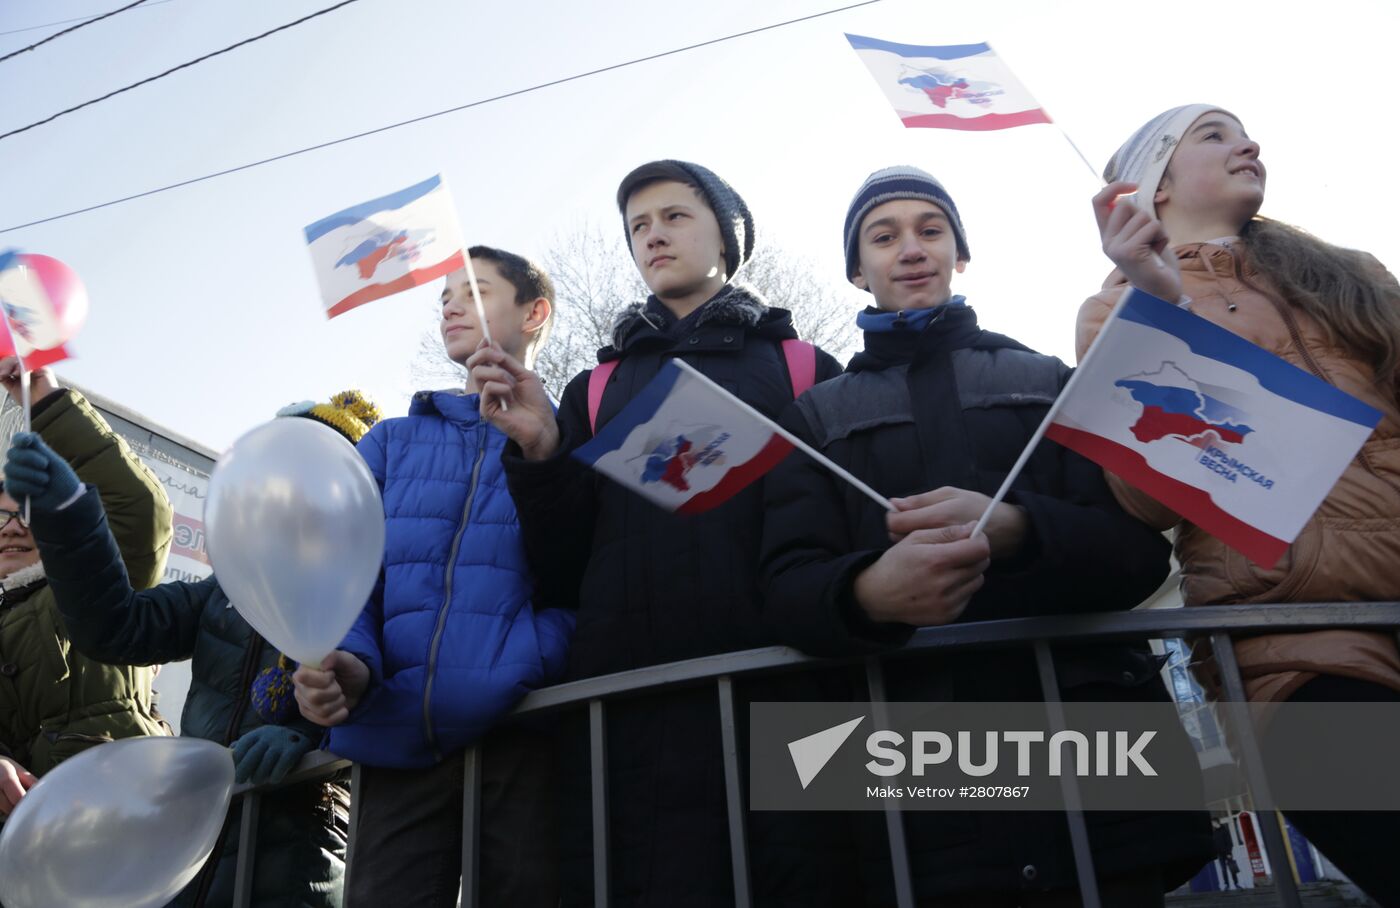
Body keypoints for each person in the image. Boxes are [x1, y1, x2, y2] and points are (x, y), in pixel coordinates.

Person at [758, 166, 1214, 906]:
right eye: (884, 235)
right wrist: (869, 593)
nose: (911, 248)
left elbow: (1137, 557)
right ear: (857, 269)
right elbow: (783, 590)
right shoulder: (812, 422)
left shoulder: (1050, 380)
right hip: (917, 793)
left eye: (930, 230)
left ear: (959, 255)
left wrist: (1022, 530)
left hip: (1093, 782)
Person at [468, 160, 856, 907]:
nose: (654, 235)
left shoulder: (804, 367)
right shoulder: (596, 386)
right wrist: (541, 453)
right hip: (626, 713)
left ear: (728, 236)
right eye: (639, 225)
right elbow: (561, 562)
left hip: (785, 695)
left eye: (675, 216)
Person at [1081, 105, 1400, 904]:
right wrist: (1162, 315)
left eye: (1243, 131)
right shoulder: (1115, 308)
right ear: (1150, 185)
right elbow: (1146, 497)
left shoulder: (1351, 273)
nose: (1247, 144)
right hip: (1295, 653)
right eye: (1213, 134)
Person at [5, 391, 379, 907]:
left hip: (304, 844)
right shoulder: (222, 593)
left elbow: (389, 692)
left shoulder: (367, 588)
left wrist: (311, 741)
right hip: (196, 841)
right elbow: (115, 628)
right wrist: (70, 515)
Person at [292, 248, 574, 908]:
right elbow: (342, 571)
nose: (450, 304)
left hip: (522, 733)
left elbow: (584, 572)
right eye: (444, 294)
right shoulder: (391, 441)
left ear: (534, 313)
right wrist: (352, 663)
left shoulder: (573, 435)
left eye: (474, 291)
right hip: (393, 737)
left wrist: (532, 661)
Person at [0, 359, 170, 817]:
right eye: (1, 516)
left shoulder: (92, 583)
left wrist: (46, 403)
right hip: (31, 844)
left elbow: (140, 512)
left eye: (28, 513)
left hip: (131, 813)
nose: (12, 529)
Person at [1212, 819, 1238, 890]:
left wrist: (1229, 853)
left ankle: (1236, 883)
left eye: (1213, 823)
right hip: (1220, 855)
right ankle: (1227, 885)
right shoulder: (1214, 833)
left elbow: (1229, 842)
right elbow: (1215, 844)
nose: (1212, 824)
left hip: (1227, 853)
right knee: (1223, 870)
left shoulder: (1225, 831)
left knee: (1232, 868)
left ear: (1216, 822)